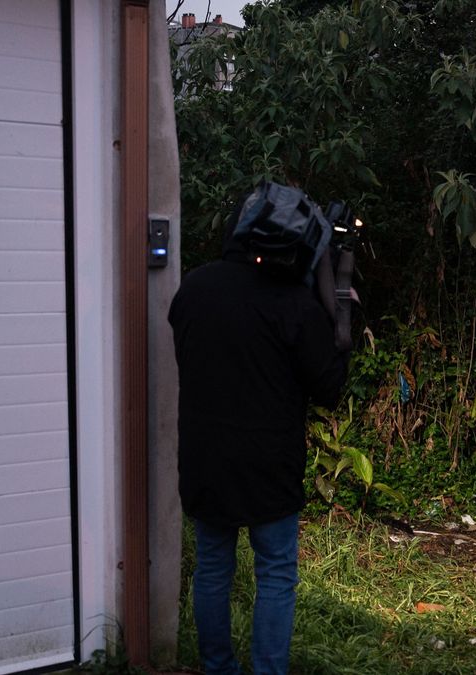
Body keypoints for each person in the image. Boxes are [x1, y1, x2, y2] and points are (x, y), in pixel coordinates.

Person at [169, 187, 350, 675]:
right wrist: (340, 318)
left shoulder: (194, 288)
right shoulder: (295, 305)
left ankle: (217, 667)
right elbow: (329, 387)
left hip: (205, 456)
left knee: (212, 568)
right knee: (274, 573)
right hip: (270, 464)